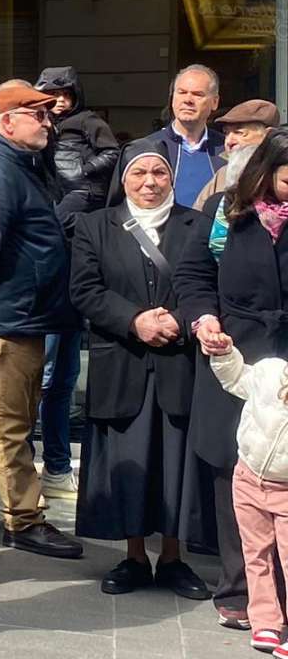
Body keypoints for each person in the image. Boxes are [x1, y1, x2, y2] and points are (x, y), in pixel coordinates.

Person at [70, 140, 209, 600]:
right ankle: (132, 556)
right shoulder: (95, 226)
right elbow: (86, 291)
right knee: (127, 461)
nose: (150, 183)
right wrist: (135, 320)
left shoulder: (198, 224)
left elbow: (209, 286)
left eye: (159, 174)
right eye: (139, 174)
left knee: (175, 460)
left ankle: (173, 557)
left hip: (179, 361)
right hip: (121, 361)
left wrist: (181, 320)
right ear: (124, 180)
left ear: (172, 179)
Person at [0, 84, 84, 558]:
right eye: (40, 115)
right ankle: (25, 518)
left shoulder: (14, 166)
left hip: (22, 317)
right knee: (7, 421)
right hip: (8, 320)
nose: (49, 124)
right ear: (8, 121)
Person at [177, 129, 288, 632]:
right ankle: (238, 586)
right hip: (233, 356)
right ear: (265, 171)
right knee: (233, 474)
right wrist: (206, 320)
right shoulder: (227, 211)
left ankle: (279, 595)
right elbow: (193, 275)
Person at [203, 330, 288, 654]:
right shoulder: (270, 370)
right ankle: (266, 621)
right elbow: (238, 379)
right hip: (249, 478)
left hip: (285, 488)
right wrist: (224, 355)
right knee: (256, 554)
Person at [35, 66, 120, 229]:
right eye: (54, 94)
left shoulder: (87, 120)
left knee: (57, 220)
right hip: (58, 189)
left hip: (83, 189)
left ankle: (101, 226)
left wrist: (86, 169)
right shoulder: (44, 121)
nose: (60, 100)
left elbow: (112, 152)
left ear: (75, 96)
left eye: (66, 94)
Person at [135, 65, 224, 208]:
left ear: (214, 102)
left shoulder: (227, 149)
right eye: (182, 92)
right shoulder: (147, 148)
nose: (188, 100)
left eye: (198, 94)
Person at [194, 99, 279, 211]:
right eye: (226, 133)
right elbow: (196, 218)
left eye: (239, 133)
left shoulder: (280, 175)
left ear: (268, 135)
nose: (229, 141)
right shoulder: (223, 174)